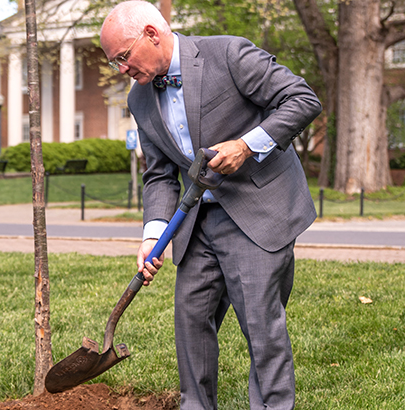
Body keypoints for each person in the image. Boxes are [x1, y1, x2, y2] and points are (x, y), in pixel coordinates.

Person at [100, 2, 321, 409]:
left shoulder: (228, 54)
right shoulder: (140, 99)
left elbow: (301, 99)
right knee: (191, 322)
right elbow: (161, 173)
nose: (121, 69)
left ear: (152, 34)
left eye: (123, 56)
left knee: (260, 328)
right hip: (197, 221)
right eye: (114, 61)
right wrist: (153, 234)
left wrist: (246, 144)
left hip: (256, 212)